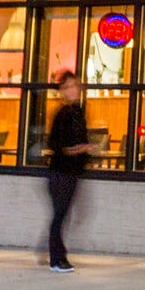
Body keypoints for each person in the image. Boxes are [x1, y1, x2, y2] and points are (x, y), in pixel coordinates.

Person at [45, 70, 92, 272]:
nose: (73, 91)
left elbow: (81, 140)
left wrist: (85, 150)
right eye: (68, 87)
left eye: (75, 86)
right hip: (60, 171)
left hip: (72, 172)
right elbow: (57, 145)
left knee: (62, 214)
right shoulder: (63, 114)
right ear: (63, 91)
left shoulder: (78, 112)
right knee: (60, 214)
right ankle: (56, 259)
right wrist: (80, 149)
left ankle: (57, 255)